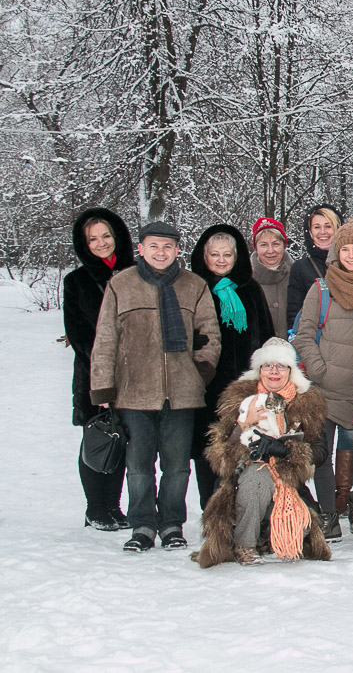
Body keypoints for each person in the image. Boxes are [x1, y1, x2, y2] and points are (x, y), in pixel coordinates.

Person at [90, 221, 221, 552]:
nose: (160, 252)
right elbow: (105, 339)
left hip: (182, 393)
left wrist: (200, 371)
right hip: (134, 393)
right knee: (138, 467)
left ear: (177, 250)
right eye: (154, 246)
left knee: (177, 467)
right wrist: (104, 388)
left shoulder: (194, 285)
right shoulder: (121, 285)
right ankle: (143, 525)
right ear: (141, 249)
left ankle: (172, 524)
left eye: (167, 246)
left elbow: (209, 333)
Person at [193, 338, 331, 567]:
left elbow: (321, 451)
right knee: (257, 476)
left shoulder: (307, 403)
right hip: (243, 484)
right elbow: (219, 455)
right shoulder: (239, 399)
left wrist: (286, 450)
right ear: (259, 370)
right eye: (267, 365)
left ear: (291, 371)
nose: (274, 371)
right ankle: (244, 545)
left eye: (281, 366)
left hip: (287, 483)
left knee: (302, 528)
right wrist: (243, 425)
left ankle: (271, 535)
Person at [295, 219, 353, 542]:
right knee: (321, 454)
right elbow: (304, 335)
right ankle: (328, 515)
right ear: (336, 250)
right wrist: (320, 370)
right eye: (344, 248)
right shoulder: (320, 289)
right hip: (326, 388)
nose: (350, 255)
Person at [189, 224, 275, 509]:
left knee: (243, 444)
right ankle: (210, 506)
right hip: (205, 384)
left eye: (228, 254)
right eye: (215, 254)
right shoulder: (194, 288)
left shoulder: (251, 290)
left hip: (244, 384)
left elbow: (266, 335)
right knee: (208, 447)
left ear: (238, 256)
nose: (222, 260)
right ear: (204, 255)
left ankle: (241, 506)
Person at [64, 208, 135, 531]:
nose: (101, 243)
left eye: (106, 236)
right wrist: (107, 366)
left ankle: (113, 506)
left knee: (122, 439)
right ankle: (96, 508)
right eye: (93, 239)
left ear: (117, 236)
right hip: (95, 373)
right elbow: (78, 334)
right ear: (84, 244)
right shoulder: (76, 281)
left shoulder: (136, 273)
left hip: (135, 374)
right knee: (97, 436)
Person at [285, 204, 342, 333]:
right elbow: (294, 314)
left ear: (338, 229)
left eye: (328, 226)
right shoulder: (301, 268)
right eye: (317, 227)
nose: (323, 232)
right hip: (316, 342)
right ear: (310, 232)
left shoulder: (351, 262)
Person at [250, 217, 292, 339]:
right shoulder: (245, 281)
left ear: (284, 245)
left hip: (293, 353)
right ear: (256, 248)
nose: (270, 250)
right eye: (263, 245)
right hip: (258, 354)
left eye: (276, 244)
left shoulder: (297, 275)